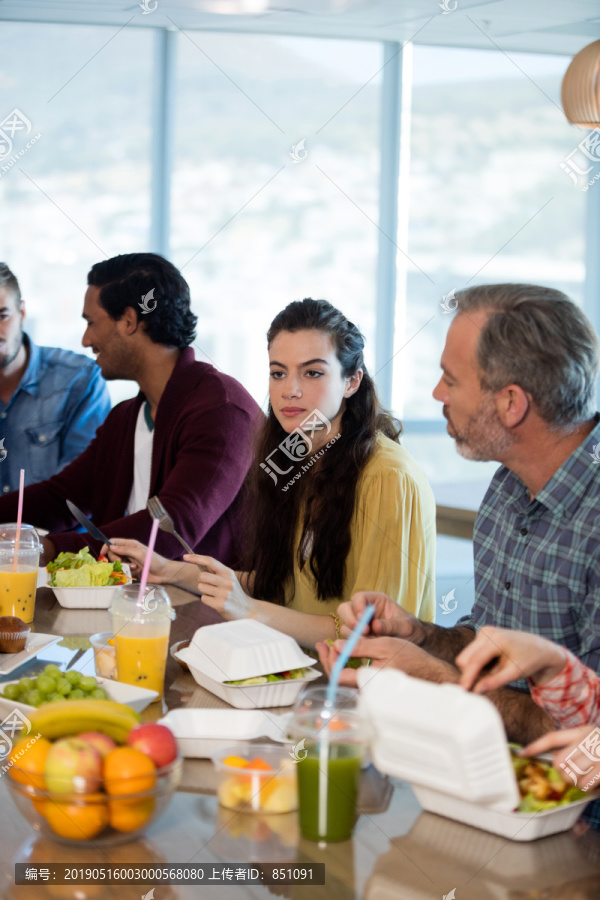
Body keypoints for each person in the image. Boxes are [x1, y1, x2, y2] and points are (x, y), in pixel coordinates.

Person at [317, 283, 600, 747]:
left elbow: (589, 745)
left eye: (451, 379)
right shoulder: (508, 487)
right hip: (484, 774)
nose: (436, 392)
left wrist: (438, 682)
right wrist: (422, 636)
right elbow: (490, 648)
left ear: (511, 403)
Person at [107, 298, 437, 648]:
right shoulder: (295, 458)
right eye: (278, 372)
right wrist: (168, 569)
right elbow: (284, 588)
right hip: (294, 669)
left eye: (312, 373)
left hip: (358, 692)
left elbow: (374, 634)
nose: (289, 389)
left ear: (352, 382)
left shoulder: (388, 477)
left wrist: (250, 611)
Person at [0, 253, 261, 566]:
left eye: (91, 323)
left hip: (208, 611)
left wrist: (49, 549)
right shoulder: (125, 417)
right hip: (133, 603)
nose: (86, 340)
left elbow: (172, 526)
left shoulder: (221, 409)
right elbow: (62, 497)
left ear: (128, 321)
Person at [0, 263, 110, 488]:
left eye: (2, 316)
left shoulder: (80, 380)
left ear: (22, 312)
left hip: (52, 524)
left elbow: (81, 490)